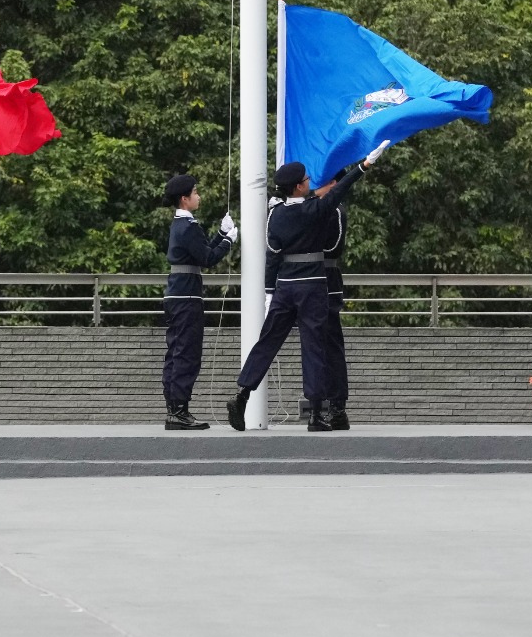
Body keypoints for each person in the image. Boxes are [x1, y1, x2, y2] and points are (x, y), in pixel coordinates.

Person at [227, 141, 388, 432]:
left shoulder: (276, 214)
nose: (310, 183)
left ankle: (242, 394)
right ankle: (316, 414)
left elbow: (272, 255)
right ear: (300, 187)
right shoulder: (315, 210)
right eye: (306, 180)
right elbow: (340, 189)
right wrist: (364, 165)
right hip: (312, 285)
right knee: (313, 348)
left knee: (267, 342)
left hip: (284, 286)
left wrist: (269, 292)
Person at [160, 174, 237, 430]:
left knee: (176, 352)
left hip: (177, 295)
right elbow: (208, 259)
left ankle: (174, 408)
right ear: (184, 199)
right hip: (187, 297)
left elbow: (201, 251)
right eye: (195, 192)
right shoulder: (188, 226)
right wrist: (228, 241)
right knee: (187, 354)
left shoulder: (181, 224)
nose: (198, 196)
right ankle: (179, 411)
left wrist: (221, 234)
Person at [321, 199, 352, 430]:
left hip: (327, 281)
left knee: (331, 346)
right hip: (304, 279)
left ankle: (337, 407)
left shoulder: (336, 210)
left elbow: (333, 248)